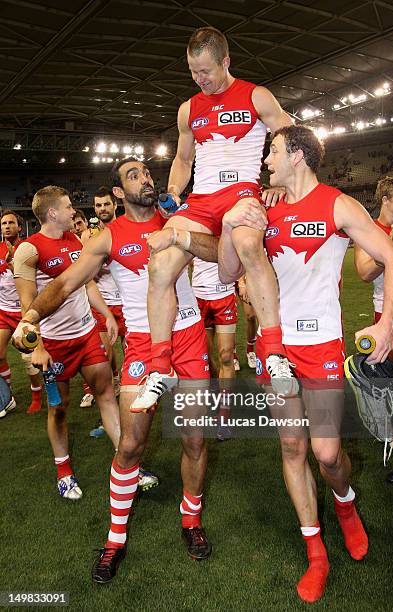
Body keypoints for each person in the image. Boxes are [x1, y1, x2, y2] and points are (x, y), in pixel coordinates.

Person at [11, 158, 243, 583]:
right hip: (142, 346)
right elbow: (64, 284)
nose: (146, 179)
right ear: (118, 192)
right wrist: (31, 316)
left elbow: (221, 254)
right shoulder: (108, 237)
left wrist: (180, 236)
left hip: (190, 341)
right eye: (133, 176)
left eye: (147, 173)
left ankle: (190, 522)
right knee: (132, 444)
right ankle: (115, 538)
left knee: (193, 439)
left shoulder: (177, 218)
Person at [218, 125, 393, 603]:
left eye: (273, 151)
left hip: (322, 346)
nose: (266, 161)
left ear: (298, 155)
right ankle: (316, 551)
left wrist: (385, 325)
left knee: (327, 454)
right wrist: (228, 227)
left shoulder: (338, 204)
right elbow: (226, 273)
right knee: (292, 448)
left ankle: (344, 505)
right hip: (274, 349)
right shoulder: (262, 208)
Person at [135, 26, 294, 411]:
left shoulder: (256, 95)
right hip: (202, 200)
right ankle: (160, 367)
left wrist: (284, 184)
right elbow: (184, 159)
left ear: (225, 62)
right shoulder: (189, 108)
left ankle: (273, 352)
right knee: (160, 267)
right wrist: (174, 191)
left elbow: (293, 137)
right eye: (192, 71)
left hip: (241, 192)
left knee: (248, 247)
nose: (198, 79)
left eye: (205, 71)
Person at [12, 186, 121, 500]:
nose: (74, 211)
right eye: (69, 206)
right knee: (58, 409)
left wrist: (106, 316)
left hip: (86, 334)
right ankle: (64, 471)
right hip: (54, 344)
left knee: (105, 393)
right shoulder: (29, 250)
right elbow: (27, 304)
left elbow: (86, 283)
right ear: (52, 213)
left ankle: (125, 460)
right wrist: (40, 347)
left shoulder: (74, 240)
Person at [354, 176, 393, 483]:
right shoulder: (369, 230)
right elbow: (363, 271)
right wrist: (387, 251)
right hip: (390, 316)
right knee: (389, 383)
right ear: (385, 200)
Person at [80, 187, 126, 410]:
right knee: (104, 351)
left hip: (127, 301)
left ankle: (132, 385)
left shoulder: (125, 228)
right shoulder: (88, 236)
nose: (102, 209)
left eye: (106, 204)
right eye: (98, 205)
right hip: (102, 301)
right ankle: (111, 385)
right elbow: (85, 269)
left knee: (131, 349)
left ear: (115, 205)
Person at [0, 209, 43, 416]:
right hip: (3, 310)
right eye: (3, 223)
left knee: (28, 359)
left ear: (19, 227)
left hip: (23, 311)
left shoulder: (28, 248)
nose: (6, 226)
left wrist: (11, 263)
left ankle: (37, 395)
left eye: (10, 223)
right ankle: (6, 397)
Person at [191, 258, 236, 440]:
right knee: (205, 357)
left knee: (226, 356)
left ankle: (223, 416)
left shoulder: (227, 228)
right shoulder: (193, 228)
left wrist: (242, 280)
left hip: (224, 294)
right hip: (197, 295)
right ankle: (219, 389)